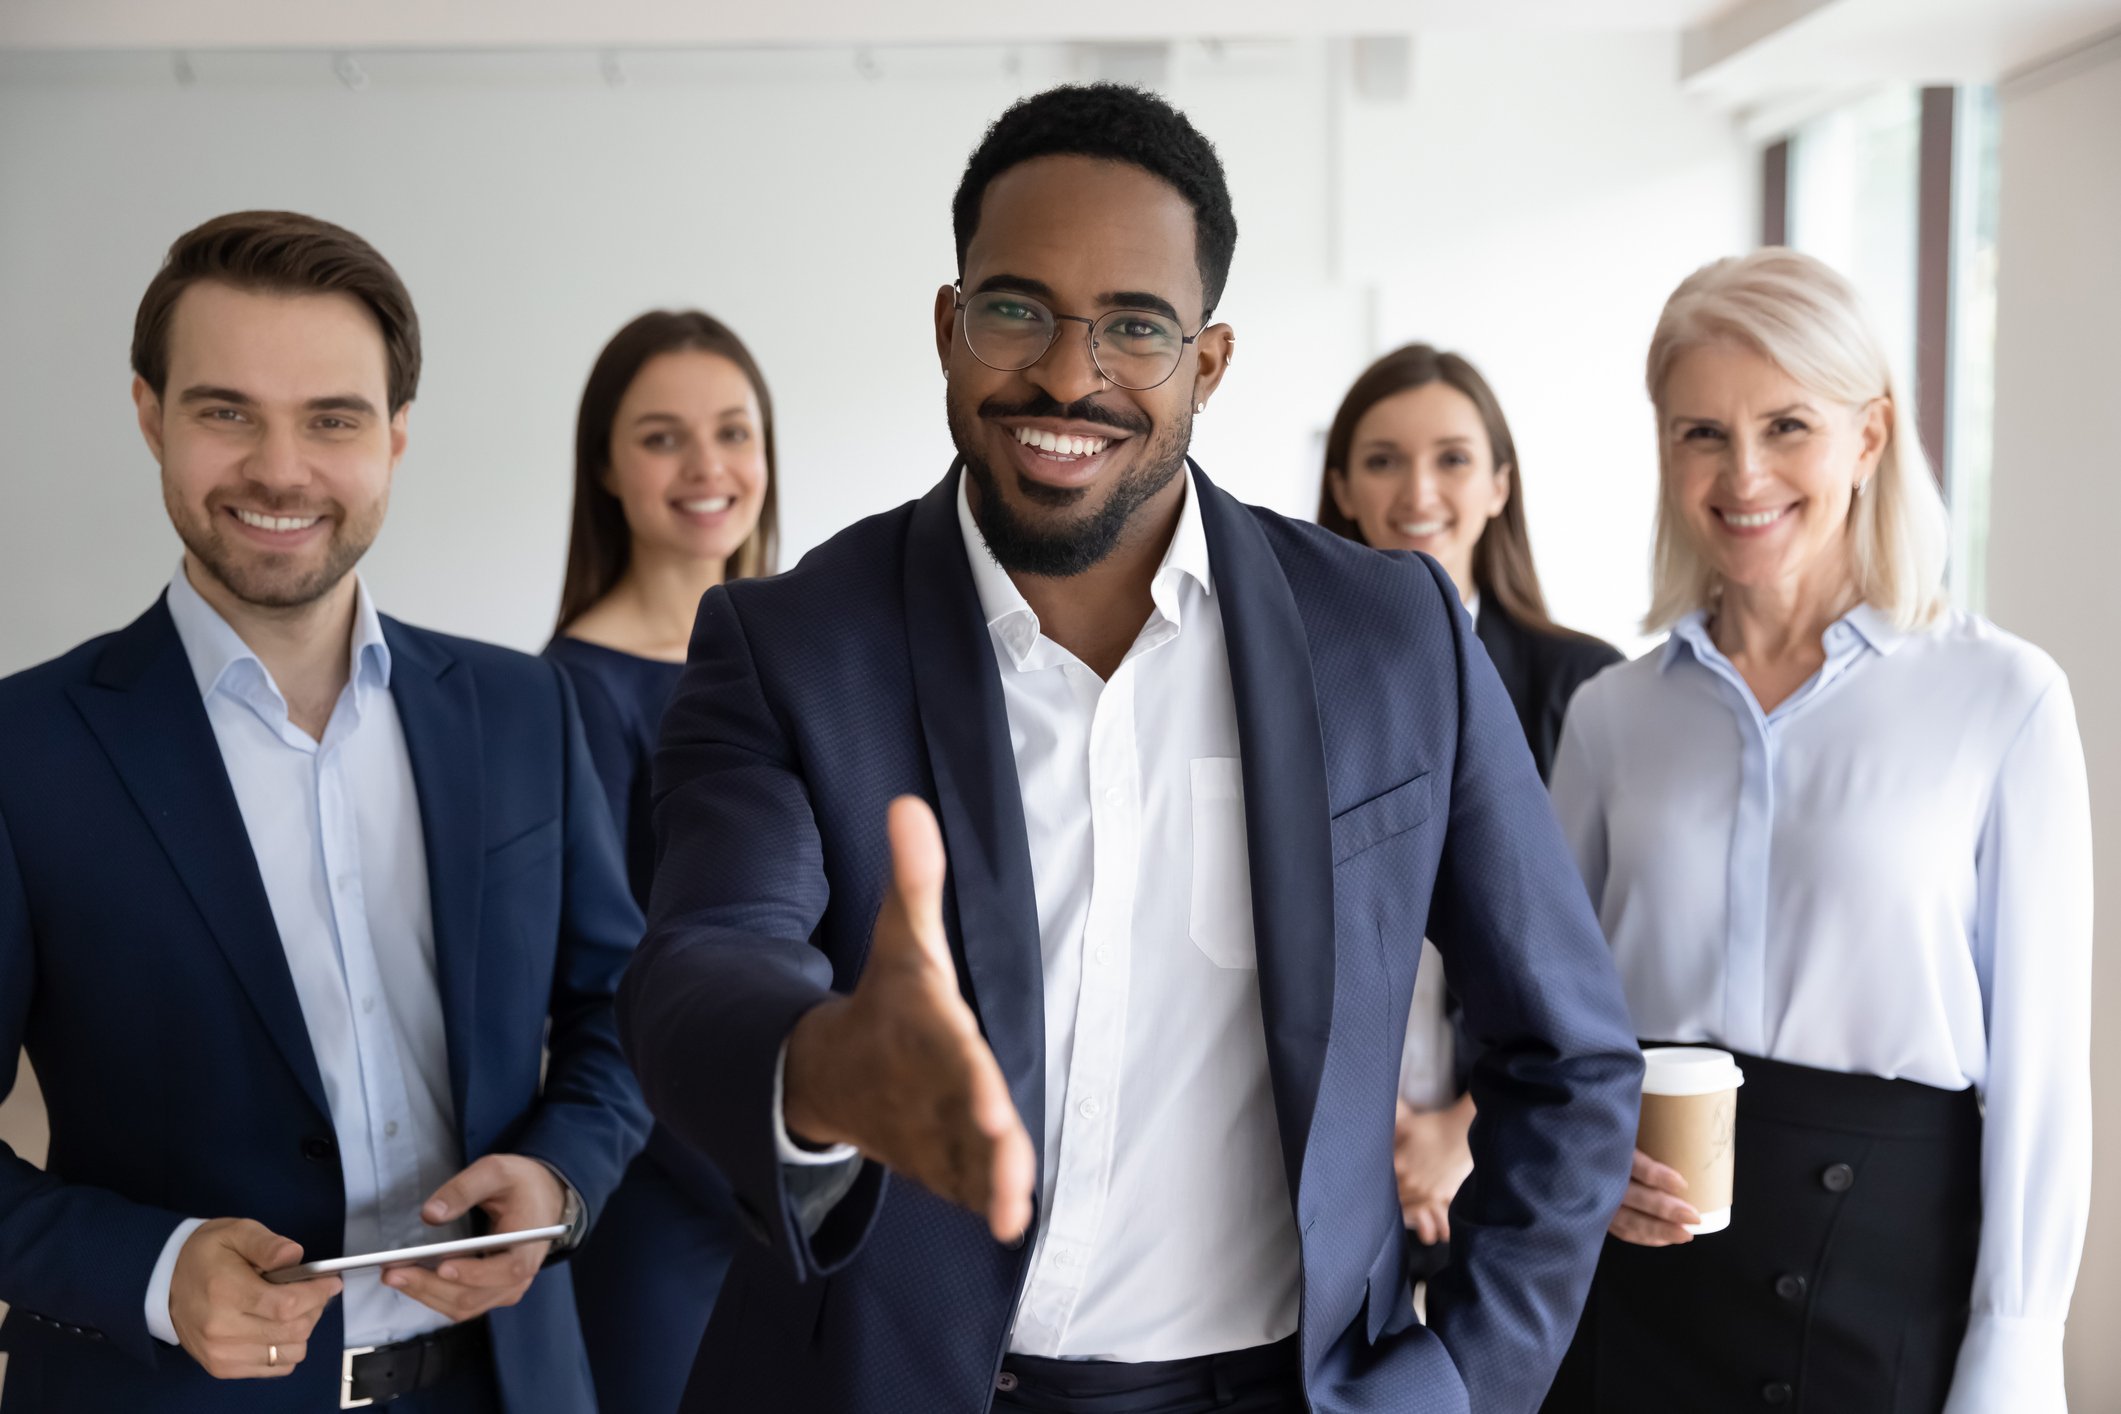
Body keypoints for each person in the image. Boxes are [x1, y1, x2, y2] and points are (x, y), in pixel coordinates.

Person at [620, 83, 1643, 1414]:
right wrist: (820, 1068)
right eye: (1016, 310)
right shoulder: (788, 641)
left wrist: (1455, 1382)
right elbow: (698, 961)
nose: (1065, 372)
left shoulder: (1390, 636)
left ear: (1206, 363)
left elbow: (1567, 1055)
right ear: (948, 324)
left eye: (1134, 328)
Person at [0, 211, 650, 1412]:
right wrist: (147, 1270)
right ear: (150, 415)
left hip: (509, 1386)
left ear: (396, 437)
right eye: (225, 410)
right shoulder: (22, 749)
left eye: (333, 418)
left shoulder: (524, 708)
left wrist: (562, 1179)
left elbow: (624, 1007)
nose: (281, 468)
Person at [1542, 248, 2091, 1412]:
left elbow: (2041, 1081)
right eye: (1701, 432)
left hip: (1880, 1292)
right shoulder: (1612, 716)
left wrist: (2014, 1362)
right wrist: (1582, 1174)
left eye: (1788, 425)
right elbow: (1544, 1021)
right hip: (1634, 1287)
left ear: (1870, 436)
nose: (1743, 473)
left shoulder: (2004, 697)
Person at [1316, 343, 1623, 1284]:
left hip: (1515, 1153)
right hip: (1325, 1153)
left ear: (1498, 484)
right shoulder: (1284, 686)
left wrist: (1460, 1129)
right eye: (1382, 459)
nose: (1419, 489)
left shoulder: (1585, 688)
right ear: (1341, 488)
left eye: (1451, 457)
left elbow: (1600, 947)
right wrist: (1373, 1130)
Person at [546, 309, 778, 1414]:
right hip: (679, 1199)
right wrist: (778, 1184)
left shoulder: (810, 662)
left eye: (734, 431)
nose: (707, 467)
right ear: (605, 466)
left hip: (815, 1171)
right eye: (661, 436)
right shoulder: (570, 697)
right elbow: (617, 997)